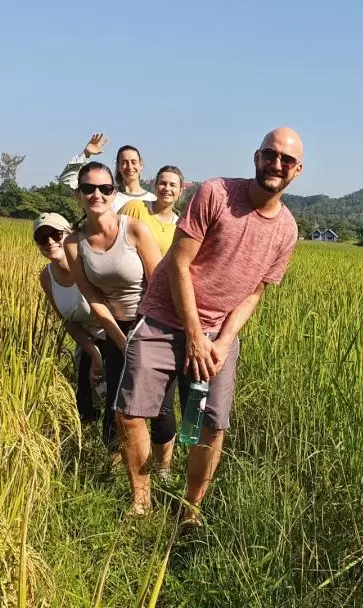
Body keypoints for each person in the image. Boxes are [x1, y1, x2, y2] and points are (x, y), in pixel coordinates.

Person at [114, 127, 303, 520]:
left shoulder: (287, 230)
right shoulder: (216, 193)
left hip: (219, 333)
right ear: (256, 157)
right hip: (164, 317)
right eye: (270, 155)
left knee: (213, 426)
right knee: (131, 412)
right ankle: (141, 499)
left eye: (286, 160)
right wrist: (195, 337)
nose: (276, 164)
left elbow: (255, 292)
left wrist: (221, 340)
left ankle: (190, 508)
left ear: (297, 171)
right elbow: (180, 263)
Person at [62, 162, 175, 482]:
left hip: (152, 324)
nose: (96, 194)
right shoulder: (74, 243)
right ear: (79, 195)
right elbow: (92, 297)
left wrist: (140, 338)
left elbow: (158, 286)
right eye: (88, 189)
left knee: (159, 407)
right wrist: (120, 340)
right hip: (113, 328)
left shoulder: (134, 229)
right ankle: (126, 478)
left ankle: (163, 469)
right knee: (119, 406)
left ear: (114, 193)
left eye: (105, 188)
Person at [32, 212, 107, 423]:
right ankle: (87, 448)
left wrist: (104, 354)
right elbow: (68, 322)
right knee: (86, 409)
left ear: (69, 235)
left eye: (56, 235)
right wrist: (93, 353)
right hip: (87, 342)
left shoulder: (90, 265)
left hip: (115, 336)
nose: (49, 242)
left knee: (118, 411)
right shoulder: (46, 277)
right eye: (41, 238)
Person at [60, 133, 156, 213]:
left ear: (141, 165)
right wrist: (86, 154)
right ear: (118, 167)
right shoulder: (106, 194)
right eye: (124, 162)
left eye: (133, 162)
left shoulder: (153, 200)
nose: (130, 167)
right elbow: (66, 179)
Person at [119, 165, 183, 254]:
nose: (167, 188)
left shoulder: (179, 227)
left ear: (180, 191)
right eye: (163, 183)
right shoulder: (135, 207)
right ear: (155, 186)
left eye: (172, 185)